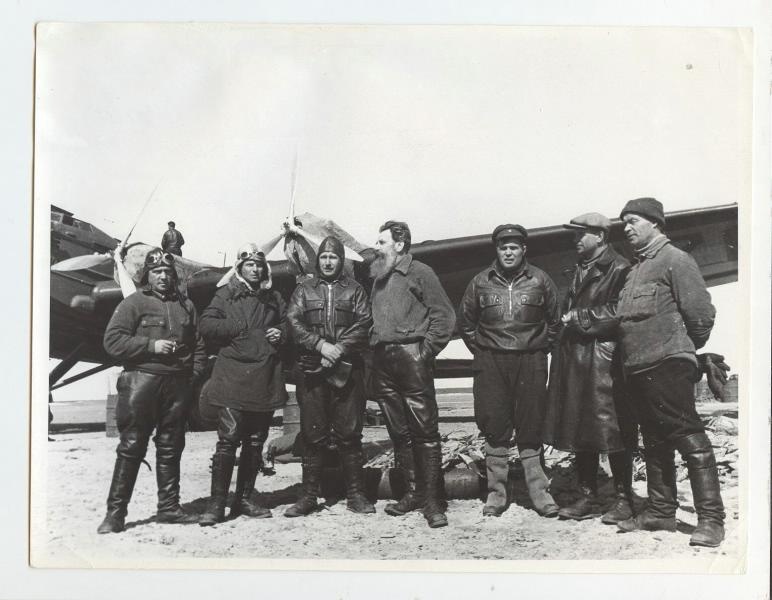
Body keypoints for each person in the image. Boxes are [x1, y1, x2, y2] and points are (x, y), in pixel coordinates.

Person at [614, 197, 725, 547]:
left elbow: (701, 315)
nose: (627, 228)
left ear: (655, 224)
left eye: (633, 221)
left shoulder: (675, 259)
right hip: (638, 367)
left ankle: (711, 520)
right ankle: (661, 511)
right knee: (654, 439)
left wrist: (679, 349)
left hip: (668, 364)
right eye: (624, 223)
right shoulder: (635, 270)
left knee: (687, 435)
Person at [99, 248, 205, 533]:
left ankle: (169, 509)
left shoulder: (186, 305)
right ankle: (115, 515)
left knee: (171, 447)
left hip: (177, 385)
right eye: (157, 272)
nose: (163, 277)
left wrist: (192, 376)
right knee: (132, 446)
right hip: (141, 382)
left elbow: (198, 344)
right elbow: (112, 341)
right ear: (147, 275)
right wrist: (151, 346)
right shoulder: (133, 303)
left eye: (168, 272)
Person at [459, 224, 560, 517]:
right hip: (491, 361)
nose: (508, 252)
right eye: (503, 247)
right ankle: (496, 495)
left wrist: (538, 348)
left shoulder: (540, 279)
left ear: (523, 249)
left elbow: (555, 322)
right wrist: (485, 350)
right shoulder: (480, 282)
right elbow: (466, 323)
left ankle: (539, 494)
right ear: (496, 249)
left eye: (514, 247)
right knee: (494, 424)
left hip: (530, 360)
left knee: (531, 423)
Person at [542, 212, 637, 523]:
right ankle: (588, 497)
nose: (575, 240)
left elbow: (621, 310)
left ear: (601, 236)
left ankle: (624, 499)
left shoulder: (620, 267)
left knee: (613, 431)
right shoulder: (583, 266)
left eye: (581, 234)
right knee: (582, 428)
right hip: (579, 359)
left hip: (603, 362)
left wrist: (580, 317)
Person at [369, 220, 456, 528]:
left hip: (411, 358)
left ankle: (433, 501)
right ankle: (413, 493)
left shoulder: (420, 272)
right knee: (399, 433)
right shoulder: (379, 275)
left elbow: (444, 316)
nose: (376, 247)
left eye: (381, 242)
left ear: (400, 244)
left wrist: (424, 353)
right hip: (383, 360)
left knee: (425, 433)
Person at [284, 236, 375, 517]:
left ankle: (356, 495)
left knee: (349, 434)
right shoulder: (303, 290)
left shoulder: (355, 290)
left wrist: (338, 349)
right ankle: (309, 496)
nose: (327, 262)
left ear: (341, 260)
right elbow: (293, 322)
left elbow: (364, 323)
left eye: (332, 257)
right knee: (313, 434)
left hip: (347, 370)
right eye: (323, 257)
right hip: (312, 370)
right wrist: (320, 345)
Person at [198, 243, 288, 526]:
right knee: (228, 440)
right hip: (232, 377)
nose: (255, 269)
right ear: (239, 268)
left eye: (259, 265)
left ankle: (245, 499)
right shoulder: (225, 294)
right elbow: (206, 325)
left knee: (255, 442)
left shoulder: (273, 297)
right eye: (249, 264)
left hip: (264, 376)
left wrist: (281, 332)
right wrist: (237, 329)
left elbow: (291, 323)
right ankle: (216, 504)